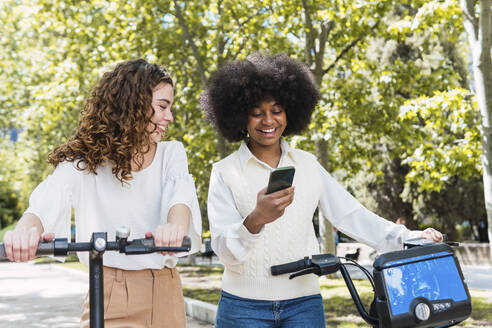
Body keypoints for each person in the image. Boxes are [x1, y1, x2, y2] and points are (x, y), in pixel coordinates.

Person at [200, 53, 443, 328]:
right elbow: (223, 250)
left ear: (290, 112)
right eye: (257, 113)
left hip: (303, 305)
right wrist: (256, 219)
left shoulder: (308, 165)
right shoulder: (224, 171)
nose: (268, 120)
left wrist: (409, 238)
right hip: (242, 307)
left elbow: (351, 214)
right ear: (240, 117)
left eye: (276, 110)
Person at [3, 59, 202, 327]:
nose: (169, 117)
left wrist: (174, 229)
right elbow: (46, 200)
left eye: (170, 108)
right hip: (110, 289)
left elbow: (180, 199)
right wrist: (25, 231)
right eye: (162, 107)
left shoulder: (171, 153)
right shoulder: (84, 161)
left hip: (166, 290)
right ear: (133, 105)